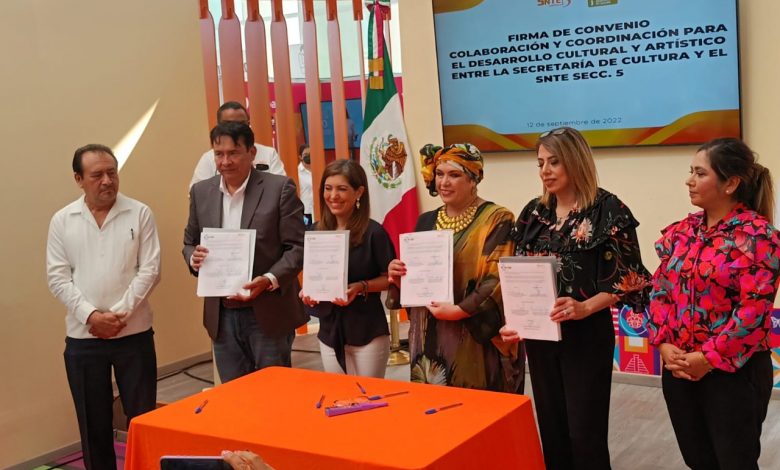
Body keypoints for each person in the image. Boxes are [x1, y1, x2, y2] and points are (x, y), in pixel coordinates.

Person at [500, 127, 650, 470]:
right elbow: (519, 274)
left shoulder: (608, 209)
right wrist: (518, 321)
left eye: (554, 162)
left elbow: (630, 280)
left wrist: (584, 307)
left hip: (586, 336)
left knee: (585, 433)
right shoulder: (534, 213)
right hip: (541, 336)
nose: (545, 171)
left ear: (575, 161)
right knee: (552, 429)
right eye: (540, 163)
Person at [647, 138, 780, 470]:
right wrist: (662, 343)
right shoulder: (683, 231)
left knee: (735, 462)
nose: (689, 180)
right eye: (691, 171)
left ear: (730, 183)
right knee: (698, 460)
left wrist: (707, 358)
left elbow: (753, 311)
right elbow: (660, 290)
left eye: (700, 173)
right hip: (679, 368)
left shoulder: (757, 236)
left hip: (734, 375)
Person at [47, 144, 161, 469]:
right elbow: (57, 277)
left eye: (112, 172)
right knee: (93, 424)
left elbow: (150, 270)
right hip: (84, 339)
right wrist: (92, 317)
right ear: (78, 179)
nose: (107, 181)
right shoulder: (62, 220)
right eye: (97, 175)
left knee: (142, 421)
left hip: (134, 334)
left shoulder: (139, 213)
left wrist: (118, 316)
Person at [387, 143, 524, 392]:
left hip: (475, 340)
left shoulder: (497, 218)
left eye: (454, 175)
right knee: (433, 407)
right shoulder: (426, 220)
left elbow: (497, 279)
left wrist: (458, 311)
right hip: (429, 336)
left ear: (473, 179)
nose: (444, 182)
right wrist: (399, 278)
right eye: (439, 174)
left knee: (478, 407)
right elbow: (416, 283)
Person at [183, 121, 308, 382]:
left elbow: (297, 247)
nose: (225, 161)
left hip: (267, 312)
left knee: (273, 393)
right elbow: (189, 243)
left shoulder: (279, 188)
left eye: (233, 153)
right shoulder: (201, 192)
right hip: (222, 314)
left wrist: (269, 279)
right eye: (219, 154)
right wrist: (193, 257)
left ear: (252, 153)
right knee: (234, 396)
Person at [300, 160, 395, 377]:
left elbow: (389, 279)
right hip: (329, 329)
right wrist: (308, 292)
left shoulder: (374, 232)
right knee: (339, 394)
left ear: (358, 192)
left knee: (368, 395)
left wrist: (361, 286)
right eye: (328, 188)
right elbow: (313, 276)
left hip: (367, 329)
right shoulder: (315, 232)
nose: (333, 196)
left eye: (342, 189)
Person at [190, 101, 285, 188]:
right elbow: (198, 194)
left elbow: (279, 189)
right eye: (229, 124)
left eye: (241, 124)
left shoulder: (269, 153)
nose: (235, 129)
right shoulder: (208, 158)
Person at [297, 144, 314, 226]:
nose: (308, 156)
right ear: (300, 157)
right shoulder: (297, 172)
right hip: (305, 211)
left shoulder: (318, 169)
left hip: (317, 209)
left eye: (311, 154)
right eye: (306, 154)